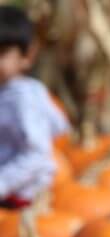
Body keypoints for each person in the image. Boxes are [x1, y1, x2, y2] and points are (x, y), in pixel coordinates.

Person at [0, 6, 69, 210]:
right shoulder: (11, 91)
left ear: (27, 56)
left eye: (2, 53)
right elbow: (59, 125)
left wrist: (2, 183)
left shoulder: (23, 99)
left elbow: (36, 154)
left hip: (21, 194)